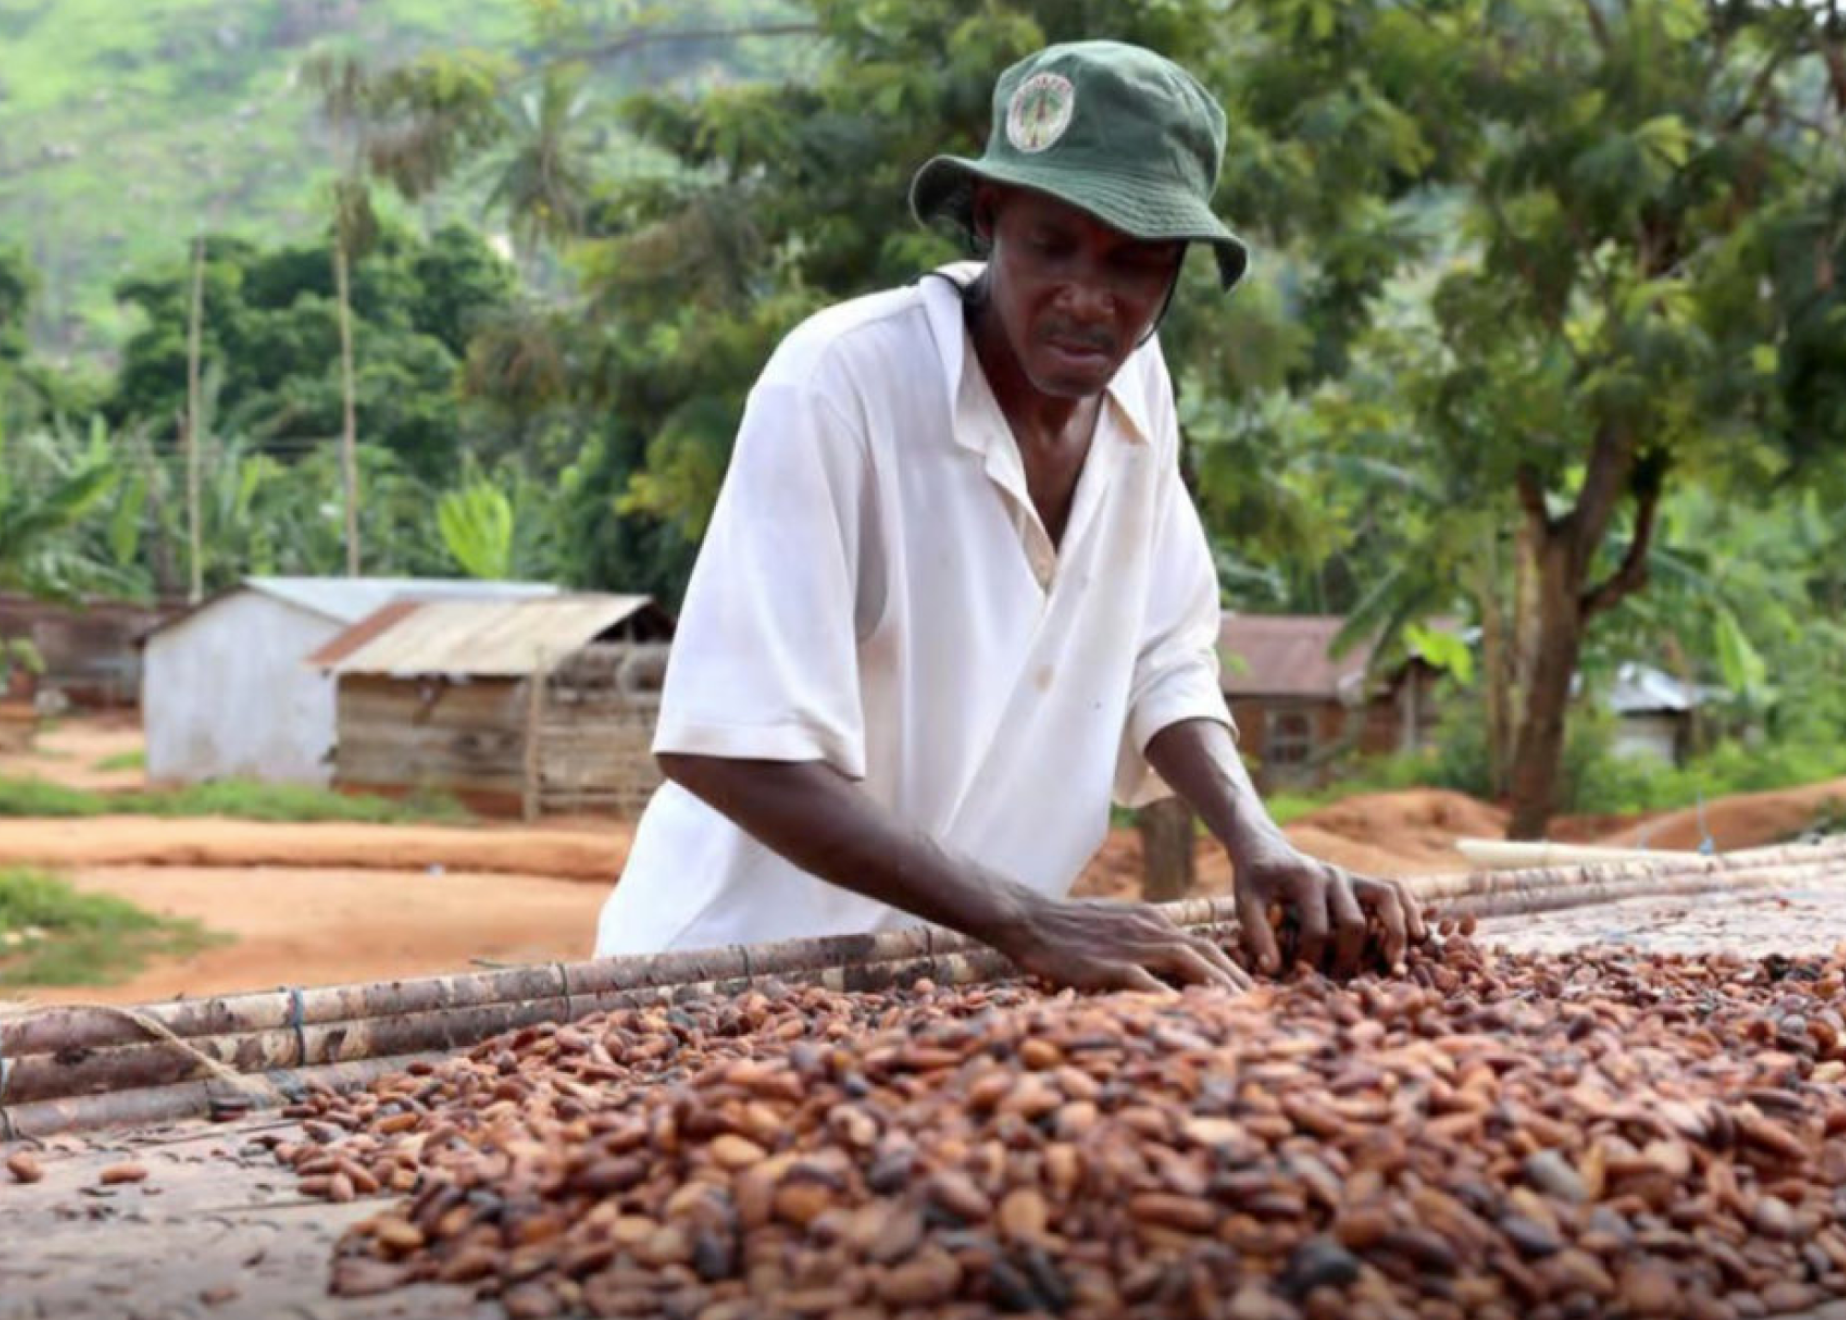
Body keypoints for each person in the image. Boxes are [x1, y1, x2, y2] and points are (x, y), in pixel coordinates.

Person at [594, 40, 1424, 991]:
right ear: (989, 220)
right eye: (1051, 244)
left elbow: (1163, 658)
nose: (1087, 298)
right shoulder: (840, 383)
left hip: (963, 979)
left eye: (1136, 263)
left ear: (1177, 270)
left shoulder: (1139, 390)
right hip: (728, 981)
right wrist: (1027, 917)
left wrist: (1254, 834)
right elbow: (728, 744)